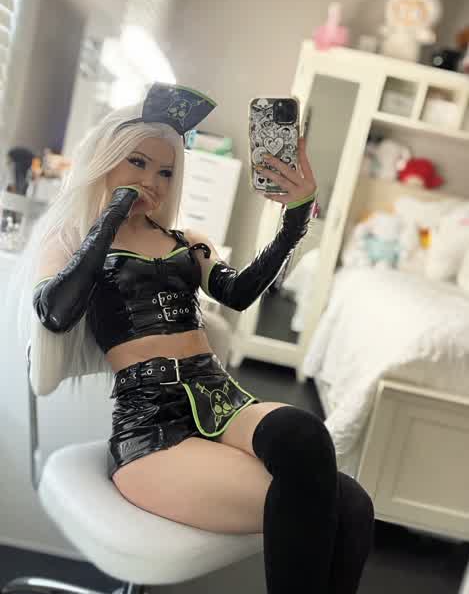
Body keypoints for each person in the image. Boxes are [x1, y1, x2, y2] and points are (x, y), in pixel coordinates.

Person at [15, 82, 374, 593]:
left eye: (165, 171)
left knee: (320, 455)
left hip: (218, 394)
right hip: (152, 424)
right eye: (137, 163)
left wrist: (297, 215)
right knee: (341, 504)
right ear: (106, 159)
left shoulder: (187, 242)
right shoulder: (70, 240)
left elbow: (239, 292)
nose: (152, 181)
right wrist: (113, 212)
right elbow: (55, 312)